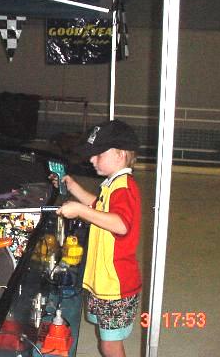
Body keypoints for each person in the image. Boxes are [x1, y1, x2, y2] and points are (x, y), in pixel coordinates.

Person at [53, 119, 141, 357]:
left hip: (116, 285)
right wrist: (73, 187)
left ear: (120, 154)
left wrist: (80, 211)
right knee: (106, 338)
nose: (92, 159)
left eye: (98, 154)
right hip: (105, 282)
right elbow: (98, 206)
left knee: (110, 344)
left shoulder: (124, 188)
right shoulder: (113, 185)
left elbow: (120, 224)